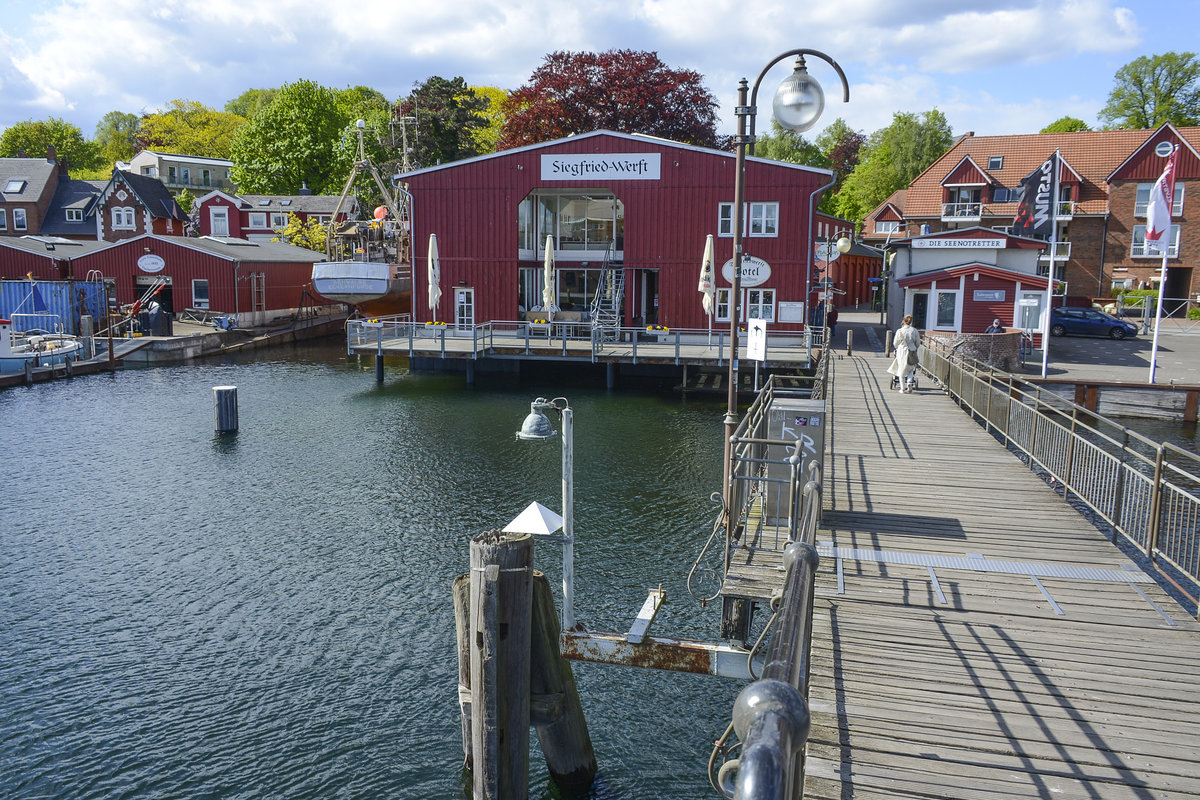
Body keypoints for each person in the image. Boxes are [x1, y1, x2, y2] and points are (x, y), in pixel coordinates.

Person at [887, 314, 921, 393]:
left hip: (902, 351)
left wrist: (898, 347)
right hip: (912, 351)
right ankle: (909, 382)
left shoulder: (900, 331)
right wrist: (914, 348)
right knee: (911, 368)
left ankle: (902, 388)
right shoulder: (914, 330)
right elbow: (918, 343)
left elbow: (895, 343)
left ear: (903, 321)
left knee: (901, 370)